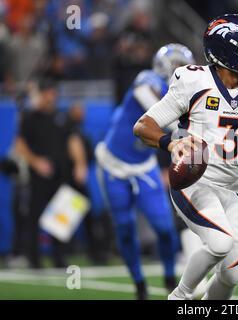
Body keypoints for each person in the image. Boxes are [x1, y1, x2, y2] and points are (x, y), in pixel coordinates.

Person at [134, 14, 238, 300]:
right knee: (220, 243)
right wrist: (171, 144)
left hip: (236, 190)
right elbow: (143, 126)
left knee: (232, 275)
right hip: (196, 181)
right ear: (225, 49)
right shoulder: (193, 81)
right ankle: (180, 297)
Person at [96, 44, 194, 300]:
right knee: (126, 227)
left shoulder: (184, 95)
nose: (180, 72)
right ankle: (139, 283)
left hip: (144, 166)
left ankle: (169, 275)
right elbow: (148, 100)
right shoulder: (148, 80)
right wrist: (179, 125)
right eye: (177, 67)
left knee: (164, 228)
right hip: (114, 165)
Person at [15, 78, 88, 269]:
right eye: (48, 92)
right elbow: (20, 144)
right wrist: (36, 162)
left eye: (53, 93)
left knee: (61, 217)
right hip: (38, 176)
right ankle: (34, 258)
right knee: (34, 216)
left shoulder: (62, 117)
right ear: (41, 94)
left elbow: (73, 142)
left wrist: (80, 164)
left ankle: (59, 257)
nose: (51, 96)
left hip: (61, 174)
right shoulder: (30, 117)